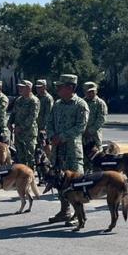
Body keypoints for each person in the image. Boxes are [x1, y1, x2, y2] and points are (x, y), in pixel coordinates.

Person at [46, 74, 89, 224]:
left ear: (70, 87)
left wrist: (62, 137)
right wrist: (52, 136)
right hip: (58, 151)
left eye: (60, 86)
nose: (57, 89)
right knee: (60, 182)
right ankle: (65, 211)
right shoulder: (57, 104)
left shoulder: (80, 104)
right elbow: (49, 122)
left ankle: (79, 214)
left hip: (72, 152)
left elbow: (80, 127)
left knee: (77, 184)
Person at [10, 80, 40, 168]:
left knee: (30, 156)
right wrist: (9, 122)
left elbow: (32, 117)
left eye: (22, 87)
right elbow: (13, 113)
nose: (20, 88)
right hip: (18, 133)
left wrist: (21, 127)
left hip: (29, 133)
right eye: (19, 87)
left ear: (29, 88)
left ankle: (30, 176)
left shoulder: (34, 101)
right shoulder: (19, 100)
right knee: (19, 156)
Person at [82, 81, 107, 166]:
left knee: (97, 159)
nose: (90, 93)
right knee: (83, 158)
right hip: (82, 135)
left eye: (92, 91)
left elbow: (102, 119)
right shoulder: (81, 103)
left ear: (96, 91)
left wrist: (90, 130)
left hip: (94, 136)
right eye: (88, 92)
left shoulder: (100, 103)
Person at [35, 80, 54, 147]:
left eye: (40, 87)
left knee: (46, 145)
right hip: (36, 126)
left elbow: (48, 114)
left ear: (45, 87)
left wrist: (45, 128)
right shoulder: (36, 97)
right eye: (37, 87)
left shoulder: (48, 98)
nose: (38, 89)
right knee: (38, 145)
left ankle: (50, 157)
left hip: (44, 127)